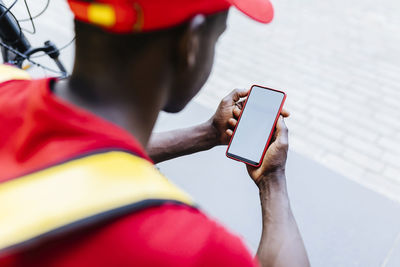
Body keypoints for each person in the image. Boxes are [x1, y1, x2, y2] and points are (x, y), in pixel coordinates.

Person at [0, 0, 310, 266]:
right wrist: (273, 181)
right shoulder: (187, 247)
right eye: (216, 38)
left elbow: (81, 156)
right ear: (190, 44)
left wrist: (206, 134)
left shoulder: (6, 85)